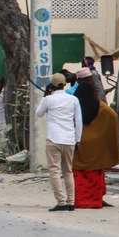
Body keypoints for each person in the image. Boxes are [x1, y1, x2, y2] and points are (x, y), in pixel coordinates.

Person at [35, 73, 83, 212]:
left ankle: (61, 202)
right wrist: (78, 140)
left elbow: (39, 113)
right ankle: (71, 202)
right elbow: (78, 121)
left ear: (52, 85)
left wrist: (45, 95)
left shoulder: (48, 100)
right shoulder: (73, 99)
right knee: (68, 171)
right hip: (69, 140)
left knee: (54, 171)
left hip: (54, 139)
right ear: (65, 84)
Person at [72, 81, 119, 209]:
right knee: (96, 175)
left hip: (78, 147)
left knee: (79, 176)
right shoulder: (102, 108)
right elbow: (113, 117)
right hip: (96, 148)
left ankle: (80, 200)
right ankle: (95, 200)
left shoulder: (74, 106)